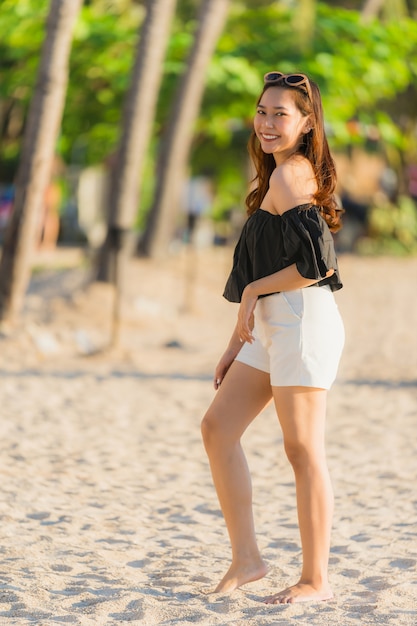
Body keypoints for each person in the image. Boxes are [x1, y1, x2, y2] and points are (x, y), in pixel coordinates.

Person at [201, 71, 345, 605]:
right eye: (262, 111)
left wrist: (253, 293)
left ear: (307, 125)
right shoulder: (276, 177)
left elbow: (316, 265)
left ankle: (315, 580)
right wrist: (235, 342)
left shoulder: (293, 176)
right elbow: (261, 275)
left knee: (303, 448)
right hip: (271, 327)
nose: (266, 123)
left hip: (303, 322)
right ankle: (247, 559)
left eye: (280, 114)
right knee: (218, 427)